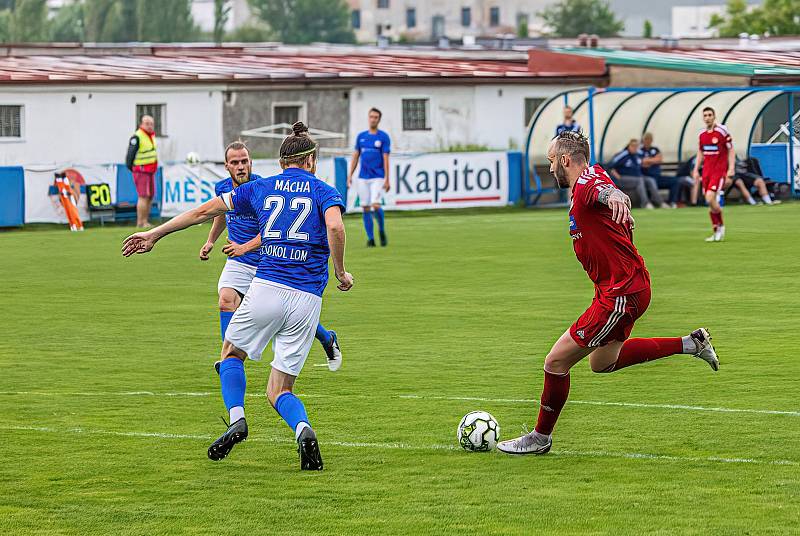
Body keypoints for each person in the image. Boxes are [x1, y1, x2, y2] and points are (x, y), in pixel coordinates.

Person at [122, 122, 353, 471]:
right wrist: (340, 272)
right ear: (311, 161)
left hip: (267, 287)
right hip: (307, 299)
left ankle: (237, 419)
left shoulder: (261, 188)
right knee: (279, 390)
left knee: (231, 353)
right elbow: (335, 226)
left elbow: (203, 212)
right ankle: (303, 430)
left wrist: (155, 234)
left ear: (281, 162)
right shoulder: (323, 189)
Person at [496, 131, 719, 456]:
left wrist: (615, 196)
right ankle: (691, 343)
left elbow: (604, 191)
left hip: (620, 294)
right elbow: (604, 187)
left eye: (550, 161)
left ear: (565, 160)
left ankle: (539, 437)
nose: (550, 168)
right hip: (626, 288)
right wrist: (614, 195)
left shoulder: (588, 185)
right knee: (602, 363)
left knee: (555, 362)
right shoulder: (592, 173)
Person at [199, 141, 343, 371]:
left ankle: (327, 339)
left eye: (244, 161)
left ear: (251, 162)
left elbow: (272, 231)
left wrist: (245, 247)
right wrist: (210, 241)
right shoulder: (223, 188)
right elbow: (220, 213)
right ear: (226, 166)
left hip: (268, 262)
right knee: (226, 300)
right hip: (238, 261)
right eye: (235, 162)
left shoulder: (262, 188)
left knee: (291, 315)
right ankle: (227, 358)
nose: (241, 166)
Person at [347, 108, 390, 247]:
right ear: (368, 118)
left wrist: (387, 179)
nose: (373, 119)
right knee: (365, 207)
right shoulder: (361, 137)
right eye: (371, 116)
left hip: (377, 176)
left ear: (379, 119)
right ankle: (370, 239)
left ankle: (382, 230)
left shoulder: (383, 137)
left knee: (375, 205)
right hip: (363, 177)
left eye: (376, 117)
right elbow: (355, 156)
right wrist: (350, 175)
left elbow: (386, 158)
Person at [693, 107, 735, 242]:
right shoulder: (702, 135)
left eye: (710, 115)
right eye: (705, 115)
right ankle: (716, 229)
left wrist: (731, 169)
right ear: (703, 118)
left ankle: (720, 225)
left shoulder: (722, 131)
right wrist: (696, 169)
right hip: (706, 172)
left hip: (719, 172)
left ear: (714, 116)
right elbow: (700, 152)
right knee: (709, 201)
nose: (707, 117)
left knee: (710, 198)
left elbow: (731, 150)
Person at [608, 139, 667, 209]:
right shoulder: (623, 154)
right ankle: (645, 203)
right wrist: (616, 176)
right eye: (633, 146)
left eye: (636, 146)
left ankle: (659, 202)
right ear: (629, 146)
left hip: (637, 177)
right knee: (639, 181)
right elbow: (610, 166)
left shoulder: (638, 155)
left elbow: (645, 162)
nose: (634, 148)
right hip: (622, 178)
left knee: (650, 180)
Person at [126, 115, 158, 228]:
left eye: (151, 124)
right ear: (141, 124)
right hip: (141, 170)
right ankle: (140, 222)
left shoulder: (151, 136)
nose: (150, 126)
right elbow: (130, 156)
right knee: (143, 196)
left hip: (150, 171)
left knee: (150, 196)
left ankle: (145, 221)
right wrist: (134, 169)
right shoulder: (137, 136)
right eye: (147, 123)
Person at [639, 132, 679, 208]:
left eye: (649, 139)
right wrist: (653, 160)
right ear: (643, 140)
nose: (648, 141)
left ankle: (672, 202)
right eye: (646, 139)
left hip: (658, 177)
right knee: (651, 181)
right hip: (646, 177)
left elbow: (659, 159)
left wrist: (648, 161)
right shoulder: (640, 151)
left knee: (675, 181)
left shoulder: (655, 149)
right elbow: (641, 162)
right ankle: (655, 203)